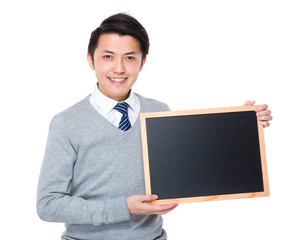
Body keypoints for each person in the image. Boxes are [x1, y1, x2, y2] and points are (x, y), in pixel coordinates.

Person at [36, 13, 273, 240]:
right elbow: (48, 205)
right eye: (108, 56)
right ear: (90, 60)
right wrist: (124, 208)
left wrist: (238, 124)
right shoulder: (66, 123)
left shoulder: (158, 111)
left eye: (130, 57)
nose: (119, 68)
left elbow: (193, 165)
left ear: (142, 62)